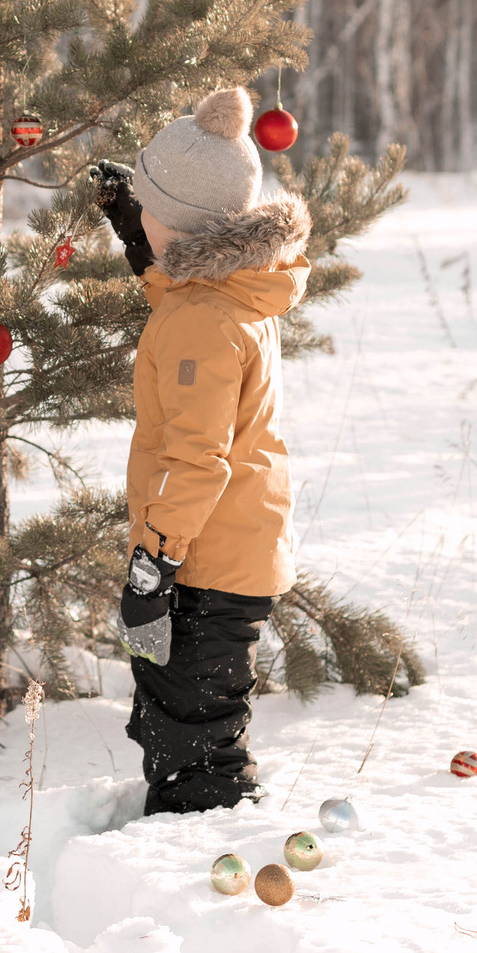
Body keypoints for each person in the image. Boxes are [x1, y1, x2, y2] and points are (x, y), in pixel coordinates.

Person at [93, 86, 310, 815]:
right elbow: (184, 295)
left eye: (149, 209)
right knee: (178, 711)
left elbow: (197, 457)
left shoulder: (201, 322)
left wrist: (155, 560)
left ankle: (201, 848)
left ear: (181, 226)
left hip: (202, 559)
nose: (142, 219)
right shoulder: (232, 289)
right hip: (231, 548)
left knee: (192, 731)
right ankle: (190, 819)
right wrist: (135, 234)